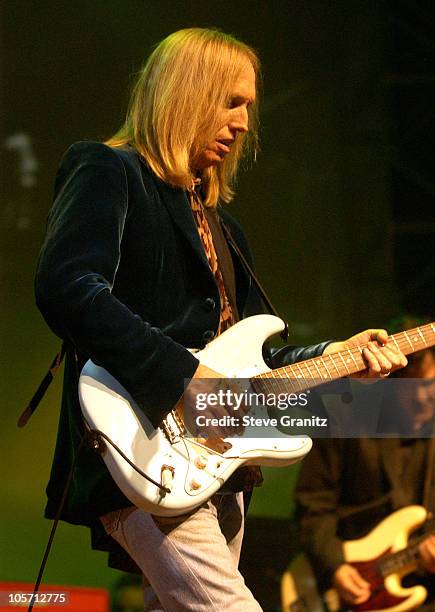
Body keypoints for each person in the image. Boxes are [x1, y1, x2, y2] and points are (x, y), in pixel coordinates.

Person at [35, 28, 407, 611]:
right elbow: (68, 287)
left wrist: (340, 356)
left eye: (247, 109)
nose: (241, 125)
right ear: (186, 94)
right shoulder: (109, 170)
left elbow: (258, 362)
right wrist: (184, 378)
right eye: (230, 102)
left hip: (221, 463)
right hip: (143, 442)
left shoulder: (223, 228)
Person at [295, 318, 435, 610]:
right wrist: (335, 566)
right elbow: (312, 505)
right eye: (416, 388)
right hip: (341, 586)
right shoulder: (348, 420)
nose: (426, 398)